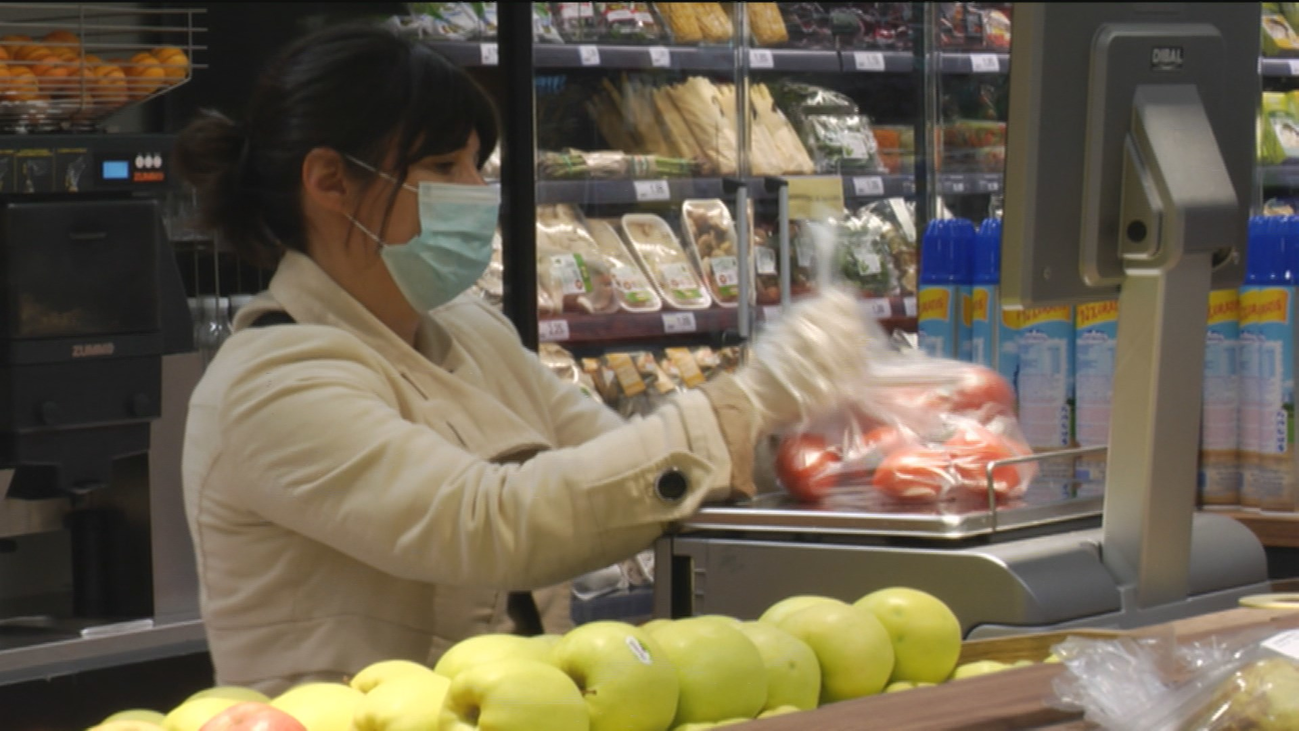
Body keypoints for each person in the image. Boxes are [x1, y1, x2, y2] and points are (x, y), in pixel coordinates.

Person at [175, 24, 873, 695]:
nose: (478, 192)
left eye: (477, 164)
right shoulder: (270, 383)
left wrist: (810, 433)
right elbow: (488, 523)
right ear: (330, 181)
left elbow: (616, 463)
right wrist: (742, 401)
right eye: (444, 166)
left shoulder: (470, 334)